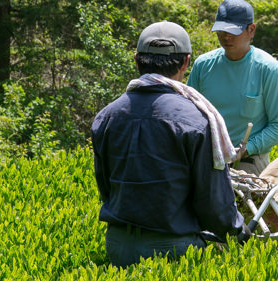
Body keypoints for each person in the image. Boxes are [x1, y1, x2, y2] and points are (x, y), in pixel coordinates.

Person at [92, 21, 248, 267]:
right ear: (186, 62)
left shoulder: (107, 116)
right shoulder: (196, 119)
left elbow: (106, 187)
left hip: (117, 246)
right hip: (173, 249)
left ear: (136, 61)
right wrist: (240, 233)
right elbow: (213, 201)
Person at [188, 0, 278, 175]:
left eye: (233, 31)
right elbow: (189, 114)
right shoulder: (203, 65)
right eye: (222, 31)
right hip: (205, 160)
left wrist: (246, 148)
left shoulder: (268, 69)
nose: (226, 37)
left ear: (251, 30)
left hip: (249, 162)